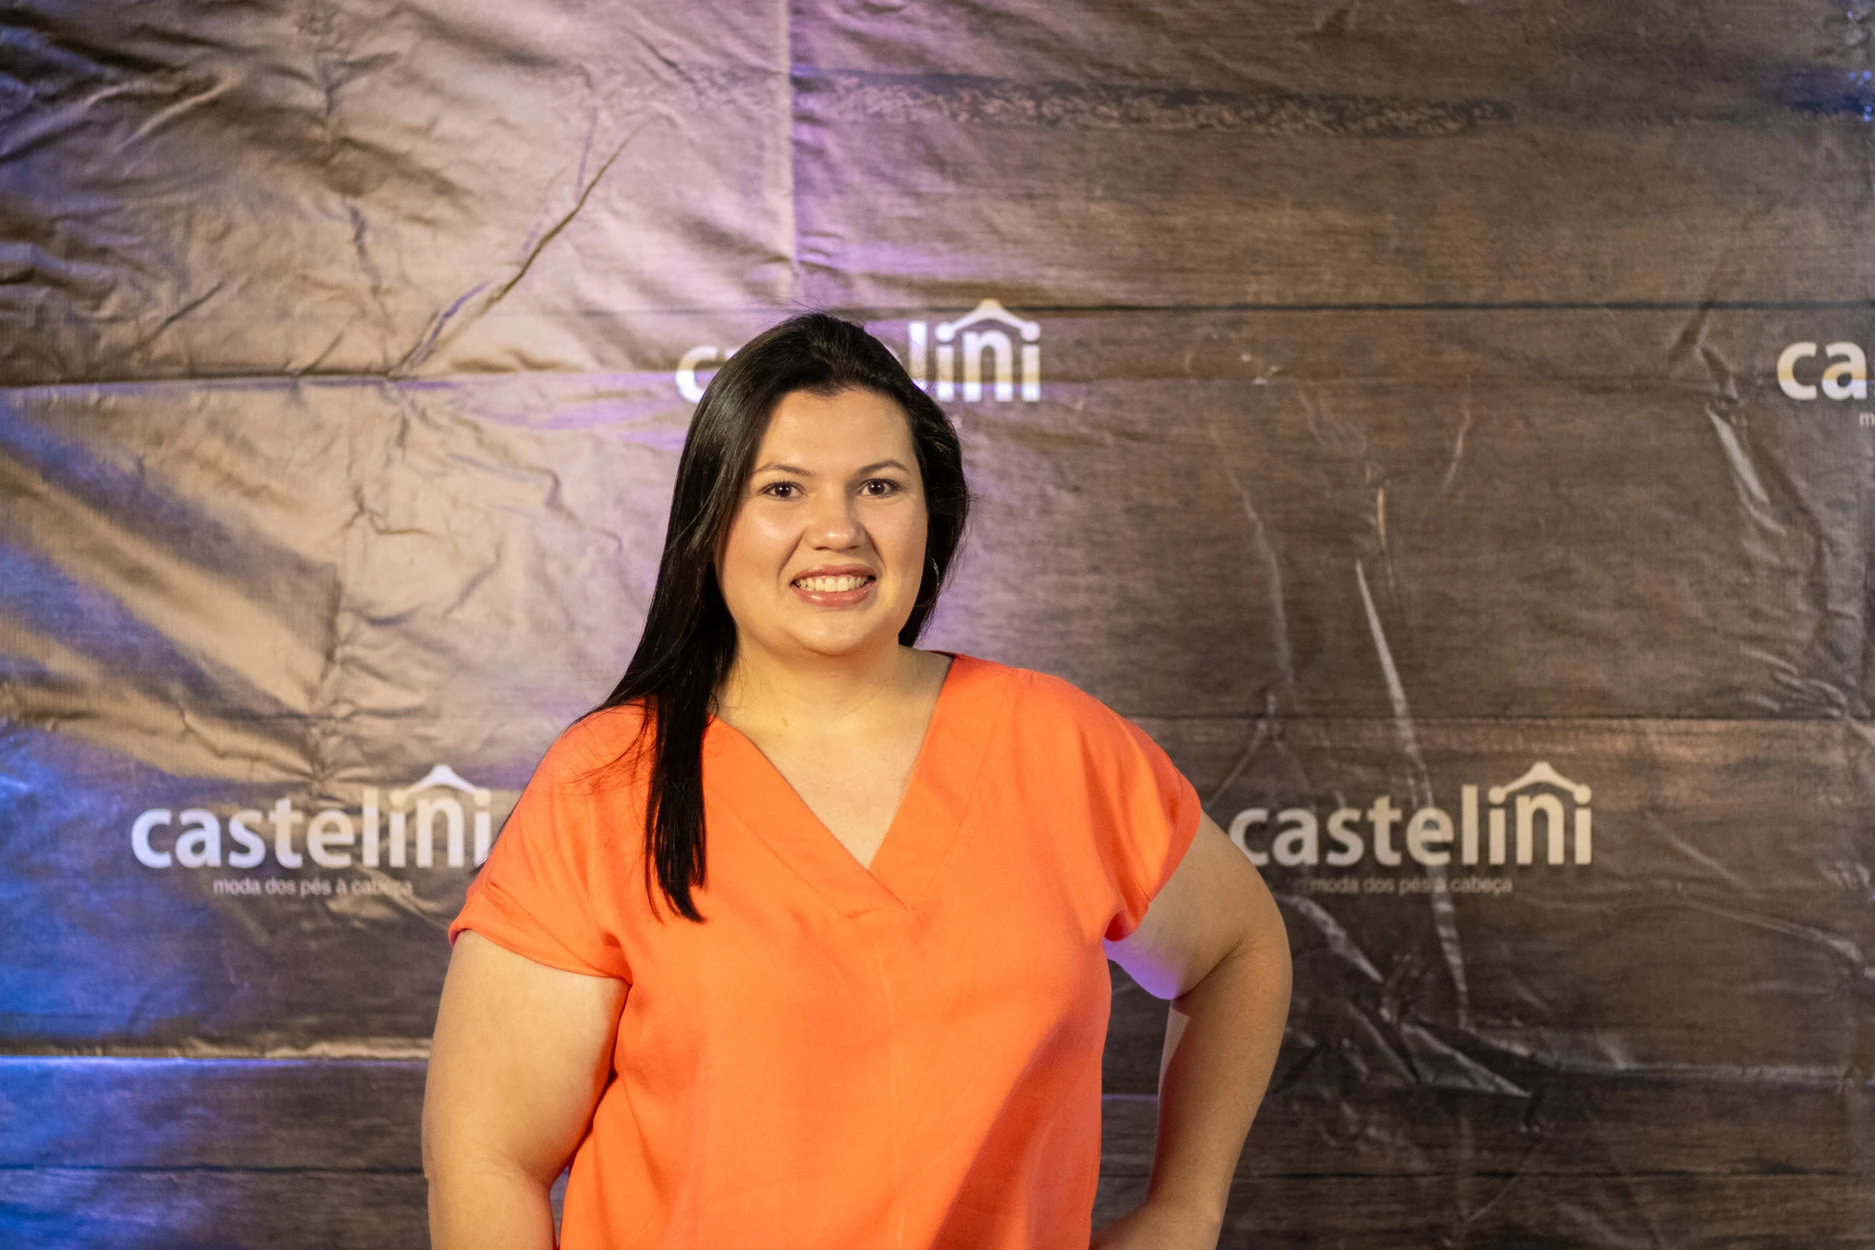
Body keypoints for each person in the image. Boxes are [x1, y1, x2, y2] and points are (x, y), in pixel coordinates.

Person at [422, 312, 1292, 1250]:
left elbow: (1235, 950)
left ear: (930, 513)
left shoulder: (1059, 743)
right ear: (710, 523)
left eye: (878, 486)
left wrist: (1184, 1210)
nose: (836, 530)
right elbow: (487, 1157)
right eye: (781, 489)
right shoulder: (608, 782)